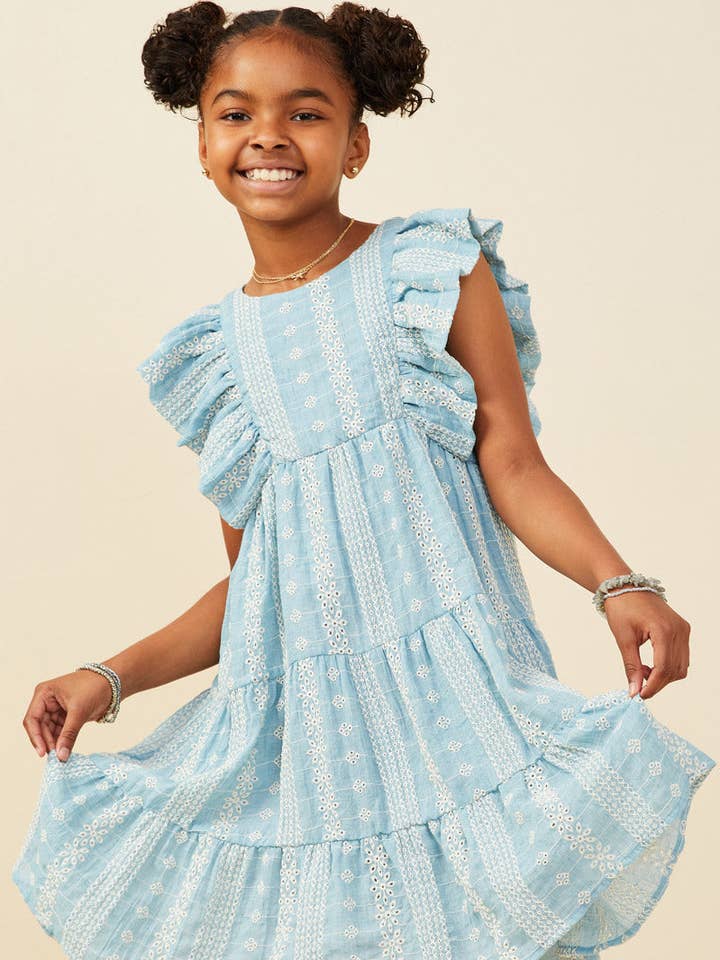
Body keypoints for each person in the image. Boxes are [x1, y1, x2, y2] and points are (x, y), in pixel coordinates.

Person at [12, 2, 715, 958]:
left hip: (461, 713)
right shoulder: (217, 358)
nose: (269, 135)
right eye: (235, 113)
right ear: (203, 146)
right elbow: (259, 585)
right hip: (311, 754)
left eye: (305, 113)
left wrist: (618, 581)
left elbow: (512, 461)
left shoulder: (426, 271)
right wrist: (107, 676)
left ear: (356, 143)